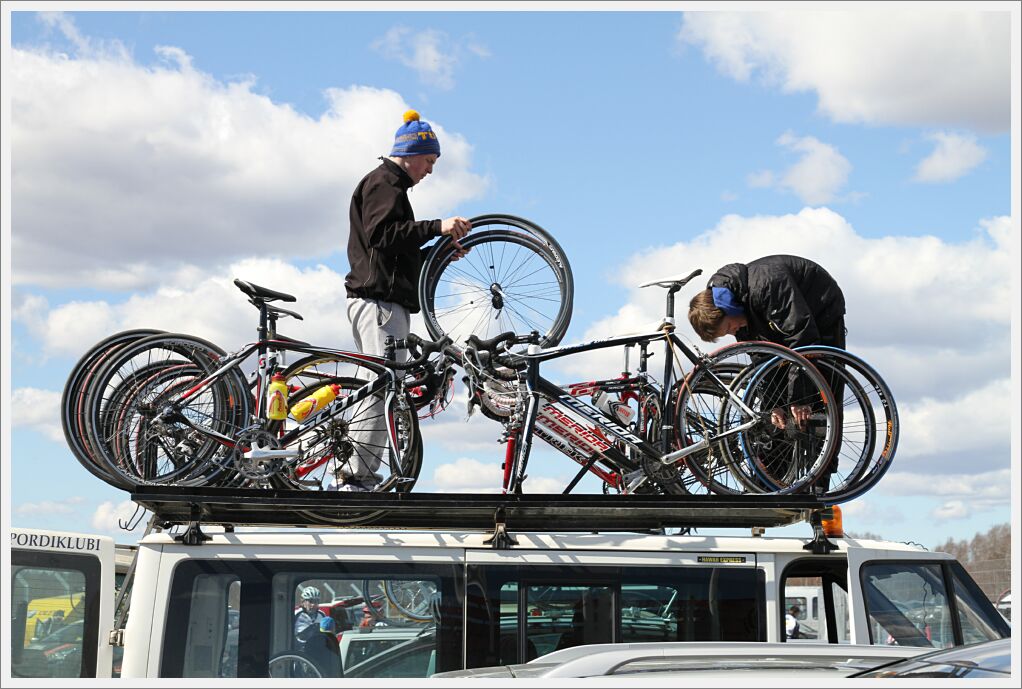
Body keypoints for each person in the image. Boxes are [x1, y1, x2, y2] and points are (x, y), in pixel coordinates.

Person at [339, 109, 472, 492]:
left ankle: (355, 473)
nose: (429, 170)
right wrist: (437, 226)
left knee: (379, 385)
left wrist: (436, 253)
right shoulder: (385, 183)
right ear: (411, 154)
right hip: (380, 304)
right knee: (383, 388)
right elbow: (382, 234)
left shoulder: (388, 185)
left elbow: (392, 250)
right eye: (429, 161)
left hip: (378, 301)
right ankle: (357, 479)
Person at [688, 255, 846, 485]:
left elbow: (803, 338)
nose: (734, 332)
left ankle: (819, 479)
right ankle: (770, 480)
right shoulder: (738, 312)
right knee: (775, 411)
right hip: (775, 321)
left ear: (729, 309)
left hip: (820, 311)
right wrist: (774, 405)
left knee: (823, 392)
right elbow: (761, 362)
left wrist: (800, 399)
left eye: (729, 327)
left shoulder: (768, 285)